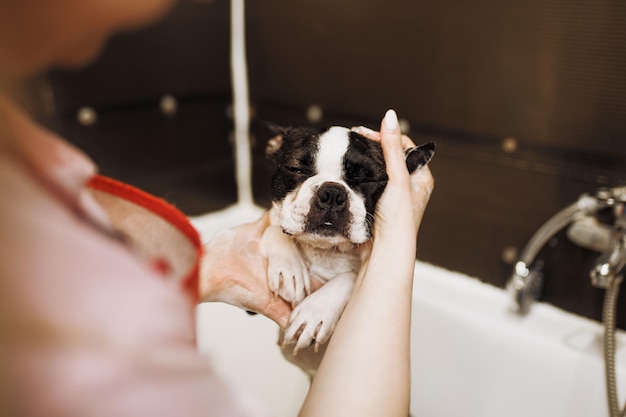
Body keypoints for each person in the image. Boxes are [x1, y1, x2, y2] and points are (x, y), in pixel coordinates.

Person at [0, 1, 434, 416]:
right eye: (303, 171)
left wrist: (213, 270)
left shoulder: (37, 182)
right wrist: (399, 240)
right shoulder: (43, 295)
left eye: (359, 182)